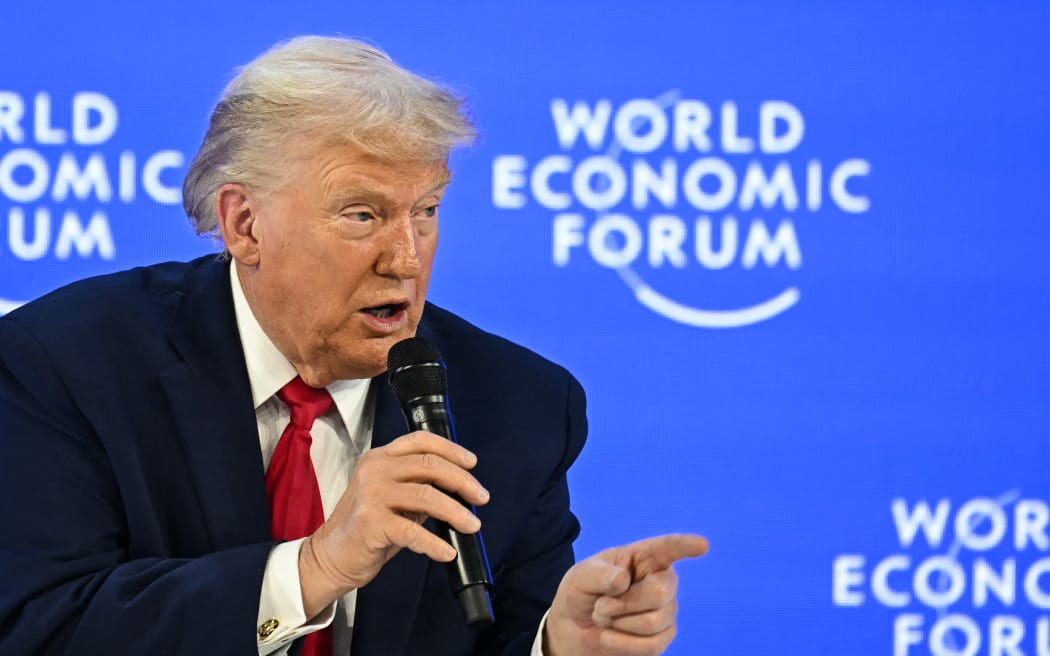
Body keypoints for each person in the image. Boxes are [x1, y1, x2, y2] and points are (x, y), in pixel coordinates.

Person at [0, 36, 707, 655]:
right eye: (362, 214)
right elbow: (41, 626)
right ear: (244, 225)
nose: (405, 258)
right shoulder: (65, 365)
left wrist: (561, 647)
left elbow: (502, 640)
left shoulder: (521, 407)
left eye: (426, 211)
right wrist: (315, 568)